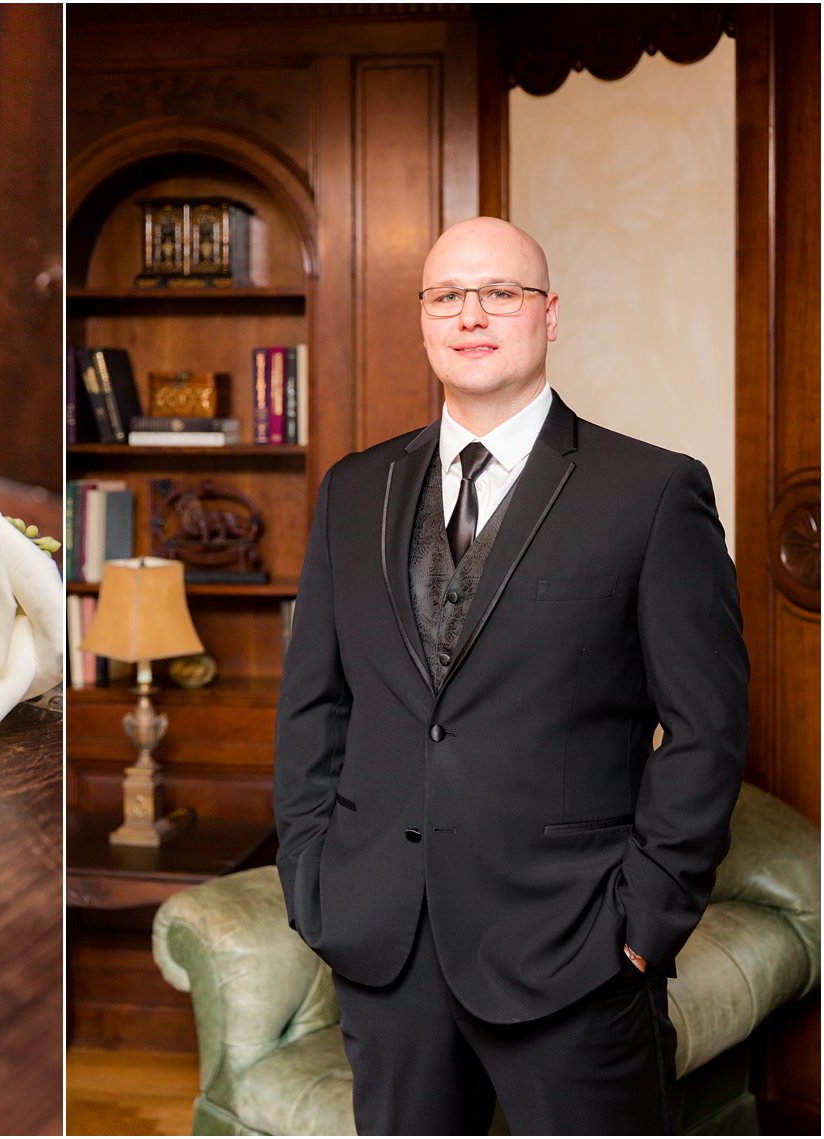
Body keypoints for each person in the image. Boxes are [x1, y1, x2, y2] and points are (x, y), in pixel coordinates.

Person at [273, 216, 748, 1135]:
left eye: (502, 293)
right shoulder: (353, 491)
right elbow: (315, 706)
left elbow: (707, 728)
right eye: (447, 295)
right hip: (384, 946)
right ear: (424, 318)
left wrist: (642, 924)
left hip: (573, 947)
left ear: (550, 314)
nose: (472, 315)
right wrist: (311, 875)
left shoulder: (651, 491)